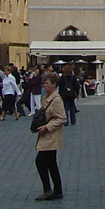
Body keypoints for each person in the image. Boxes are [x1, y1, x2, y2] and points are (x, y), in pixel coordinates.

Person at [33, 71, 67, 201]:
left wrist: (47, 126)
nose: (44, 85)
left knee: (41, 161)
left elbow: (62, 118)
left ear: (54, 84)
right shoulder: (47, 97)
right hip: (46, 134)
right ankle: (57, 190)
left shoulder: (56, 99)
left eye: (47, 83)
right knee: (51, 163)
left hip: (51, 135)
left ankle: (48, 189)